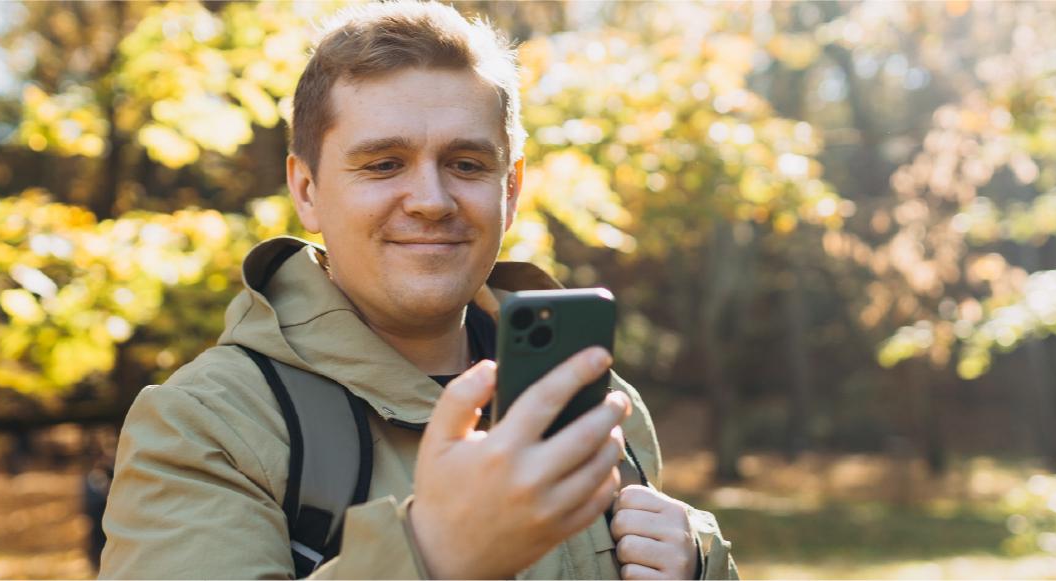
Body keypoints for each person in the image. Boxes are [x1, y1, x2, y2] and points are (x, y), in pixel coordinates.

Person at [99, 2, 737, 578]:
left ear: (510, 190)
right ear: (307, 191)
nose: (431, 200)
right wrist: (430, 555)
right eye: (383, 164)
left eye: (466, 164)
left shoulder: (591, 399)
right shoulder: (205, 425)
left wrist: (700, 563)